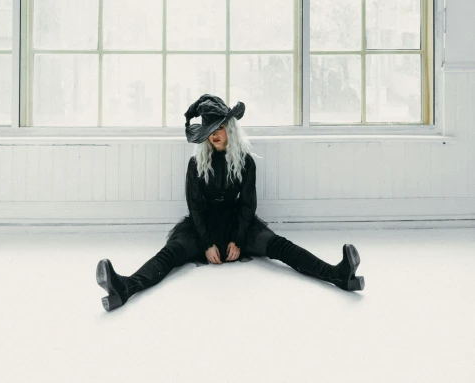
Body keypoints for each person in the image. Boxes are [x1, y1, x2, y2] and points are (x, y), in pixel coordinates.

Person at [96, 93, 365, 311]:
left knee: (280, 246)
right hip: (203, 225)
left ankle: (339, 275)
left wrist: (237, 239)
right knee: (171, 254)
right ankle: (124, 287)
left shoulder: (245, 161)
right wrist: (206, 243)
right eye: (210, 130)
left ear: (230, 130)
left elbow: (248, 204)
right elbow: (195, 206)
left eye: (220, 128)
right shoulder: (195, 163)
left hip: (239, 222)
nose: (215, 135)